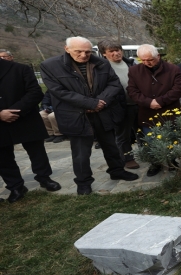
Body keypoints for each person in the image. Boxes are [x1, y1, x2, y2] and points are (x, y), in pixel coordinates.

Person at [40, 37, 137, 196]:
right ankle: (83, 182)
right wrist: (90, 103)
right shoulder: (50, 66)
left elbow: (113, 84)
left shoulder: (101, 63)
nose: (84, 55)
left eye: (87, 51)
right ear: (67, 49)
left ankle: (117, 170)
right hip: (76, 115)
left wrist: (101, 102)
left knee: (110, 145)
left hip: (102, 112)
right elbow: (59, 91)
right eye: (78, 51)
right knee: (81, 152)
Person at [1, 55, 61, 203]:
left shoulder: (20, 69)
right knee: (3, 157)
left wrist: (15, 111)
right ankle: (15, 186)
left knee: (37, 152)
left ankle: (44, 178)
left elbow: (35, 92)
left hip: (25, 118)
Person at [127, 44, 181, 177]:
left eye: (150, 60)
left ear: (158, 56)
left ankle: (172, 161)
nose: (147, 63)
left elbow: (179, 89)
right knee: (151, 141)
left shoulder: (173, 69)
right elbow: (132, 91)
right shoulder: (134, 70)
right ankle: (155, 163)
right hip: (147, 113)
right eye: (143, 60)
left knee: (171, 138)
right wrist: (149, 102)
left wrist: (160, 101)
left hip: (169, 112)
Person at [97, 40, 139, 169]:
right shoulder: (102, 68)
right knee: (123, 134)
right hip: (119, 106)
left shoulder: (131, 63)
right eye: (111, 51)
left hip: (137, 104)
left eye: (118, 50)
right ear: (104, 54)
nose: (116, 53)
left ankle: (148, 154)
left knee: (141, 132)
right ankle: (127, 158)